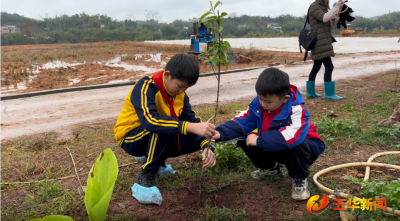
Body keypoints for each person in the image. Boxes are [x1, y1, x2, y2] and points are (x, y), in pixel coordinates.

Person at [114, 54, 217, 205]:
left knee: (190, 131)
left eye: (186, 88)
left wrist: (206, 146)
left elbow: (190, 120)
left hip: (155, 135)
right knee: (165, 128)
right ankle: (145, 178)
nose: (182, 91)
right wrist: (189, 126)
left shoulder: (181, 96)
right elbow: (151, 121)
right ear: (167, 75)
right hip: (131, 137)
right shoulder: (146, 86)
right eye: (180, 86)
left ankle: (158, 161)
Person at [212, 68, 325, 201]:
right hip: (272, 143)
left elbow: (290, 137)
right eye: (260, 99)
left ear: (285, 99)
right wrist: (219, 133)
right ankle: (271, 169)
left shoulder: (297, 110)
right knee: (246, 139)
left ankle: (299, 178)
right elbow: (243, 121)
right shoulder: (259, 105)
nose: (263, 104)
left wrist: (259, 141)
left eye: (268, 102)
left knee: (296, 146)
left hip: (304, 147)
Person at [306, 0, 344, 100]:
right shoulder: (315, 6)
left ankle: (310, 92)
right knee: (329, 66)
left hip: (323, 40)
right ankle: (329, 94)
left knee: (316, 66)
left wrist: (337, 12)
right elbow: (324, 18)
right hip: (319, 41)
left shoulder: (323, 7)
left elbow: (330, 25)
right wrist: (336, 8)